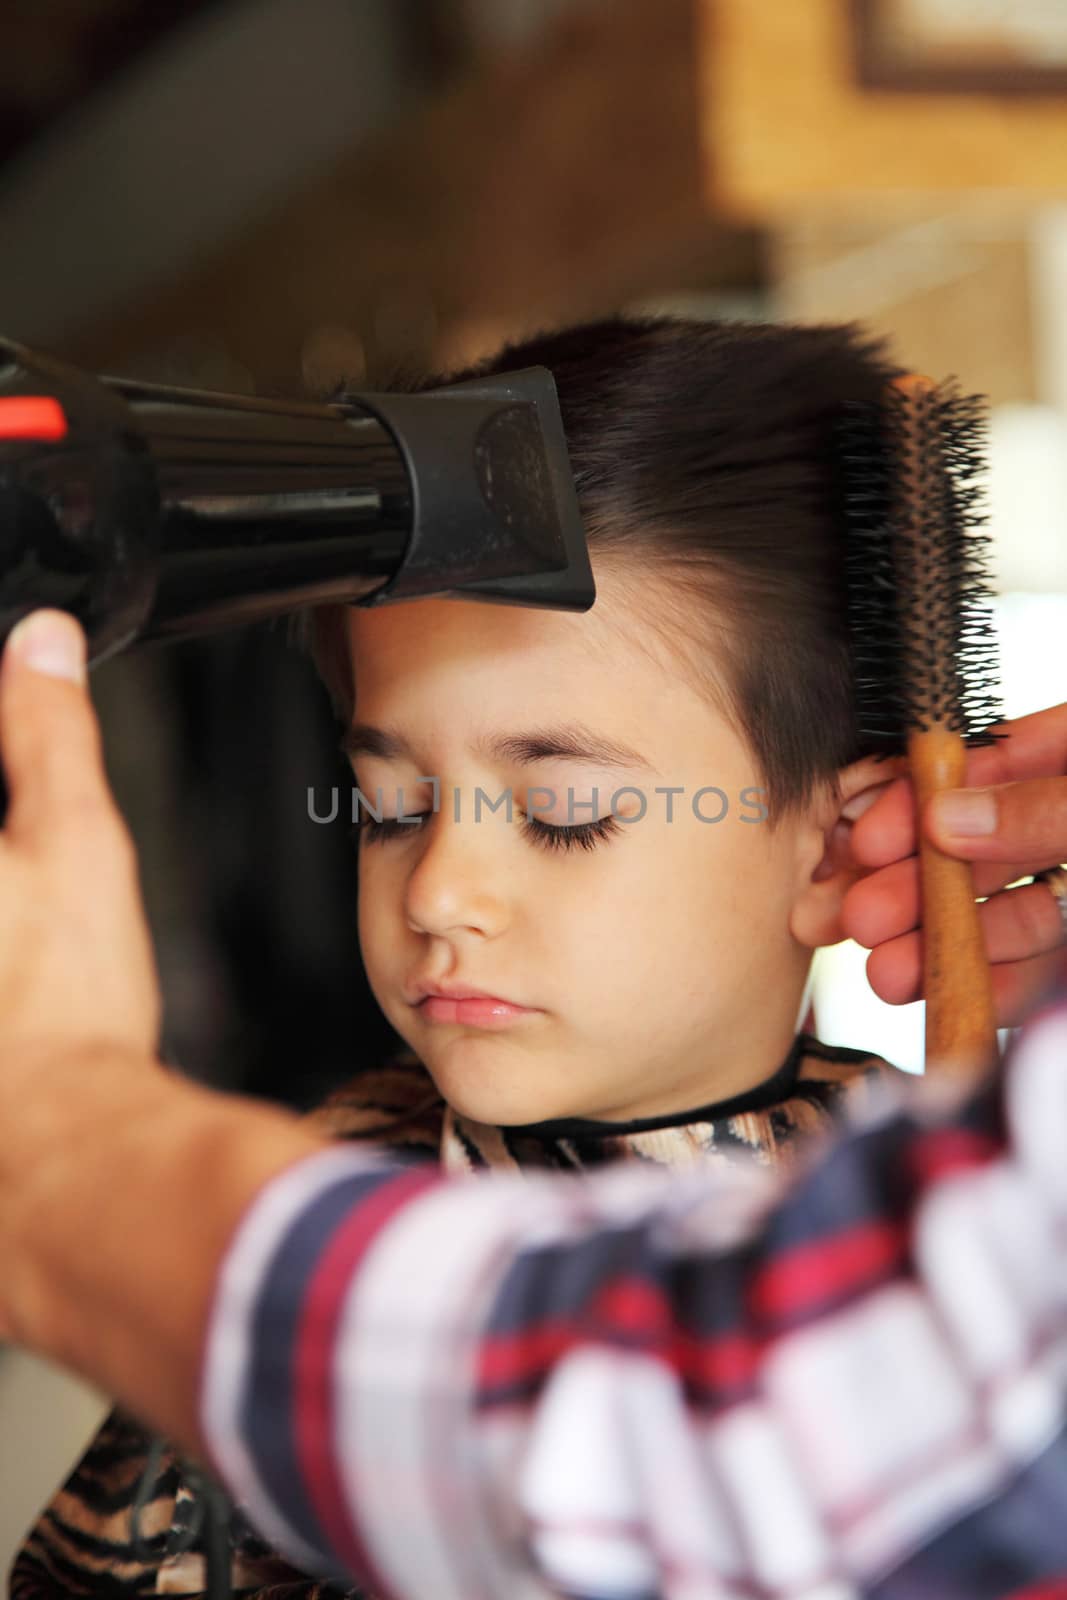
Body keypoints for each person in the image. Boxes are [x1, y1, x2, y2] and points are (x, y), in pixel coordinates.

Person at [1, 318, 1065, 1598]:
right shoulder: (315, 1175)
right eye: (389, 806)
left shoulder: (921, 1255)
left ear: (837, 839)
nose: (440, 889)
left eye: (566, 814)